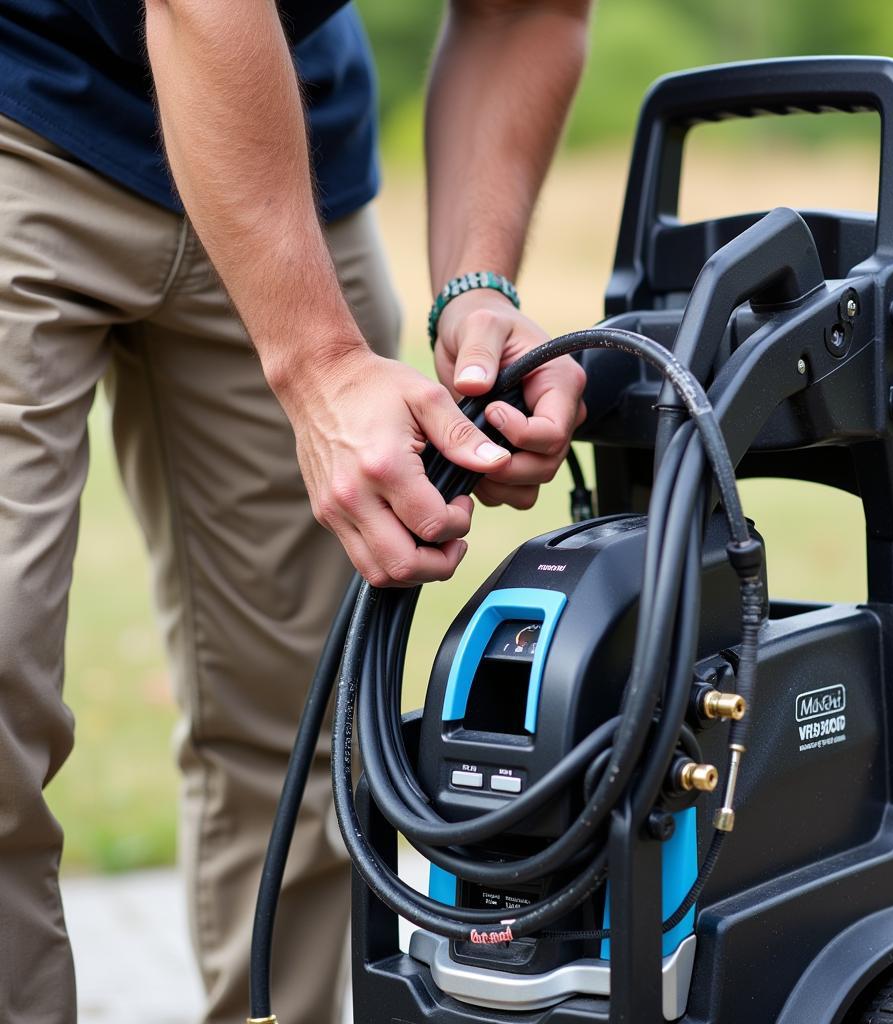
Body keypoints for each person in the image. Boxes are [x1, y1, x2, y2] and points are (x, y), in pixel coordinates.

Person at [0, 1, 590, 1022]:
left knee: (313, 721)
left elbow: (526, 10)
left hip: (284, 144)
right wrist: (318, 364)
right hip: (21, 104)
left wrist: (475, 289)